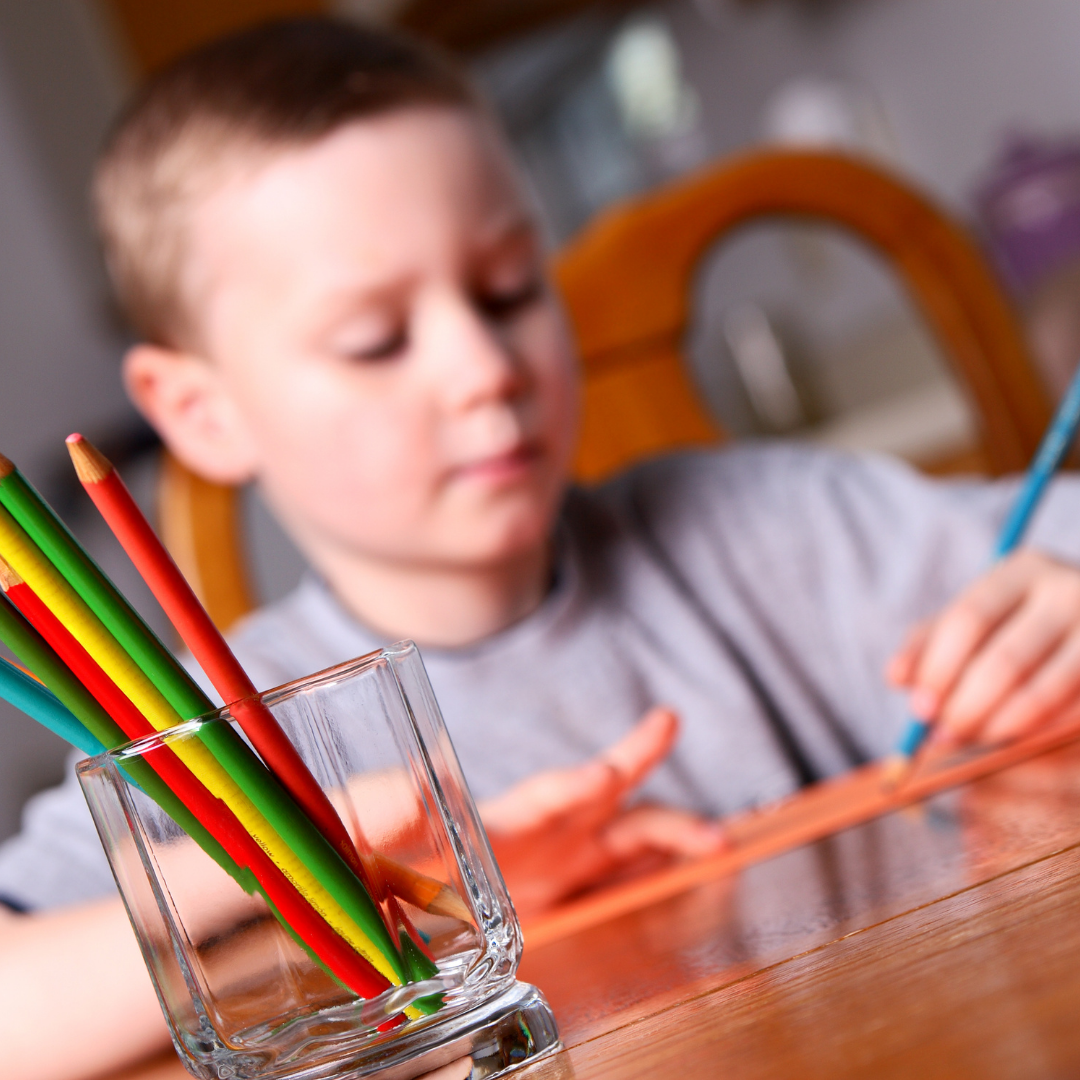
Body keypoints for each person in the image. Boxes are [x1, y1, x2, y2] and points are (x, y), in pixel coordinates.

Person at [4, 16, 1080, 1080]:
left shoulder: (771, 526)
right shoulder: (189, 740)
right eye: (376, 339)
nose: (484, 365)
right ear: (200, 411)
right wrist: (320, 862)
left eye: (511, 288)